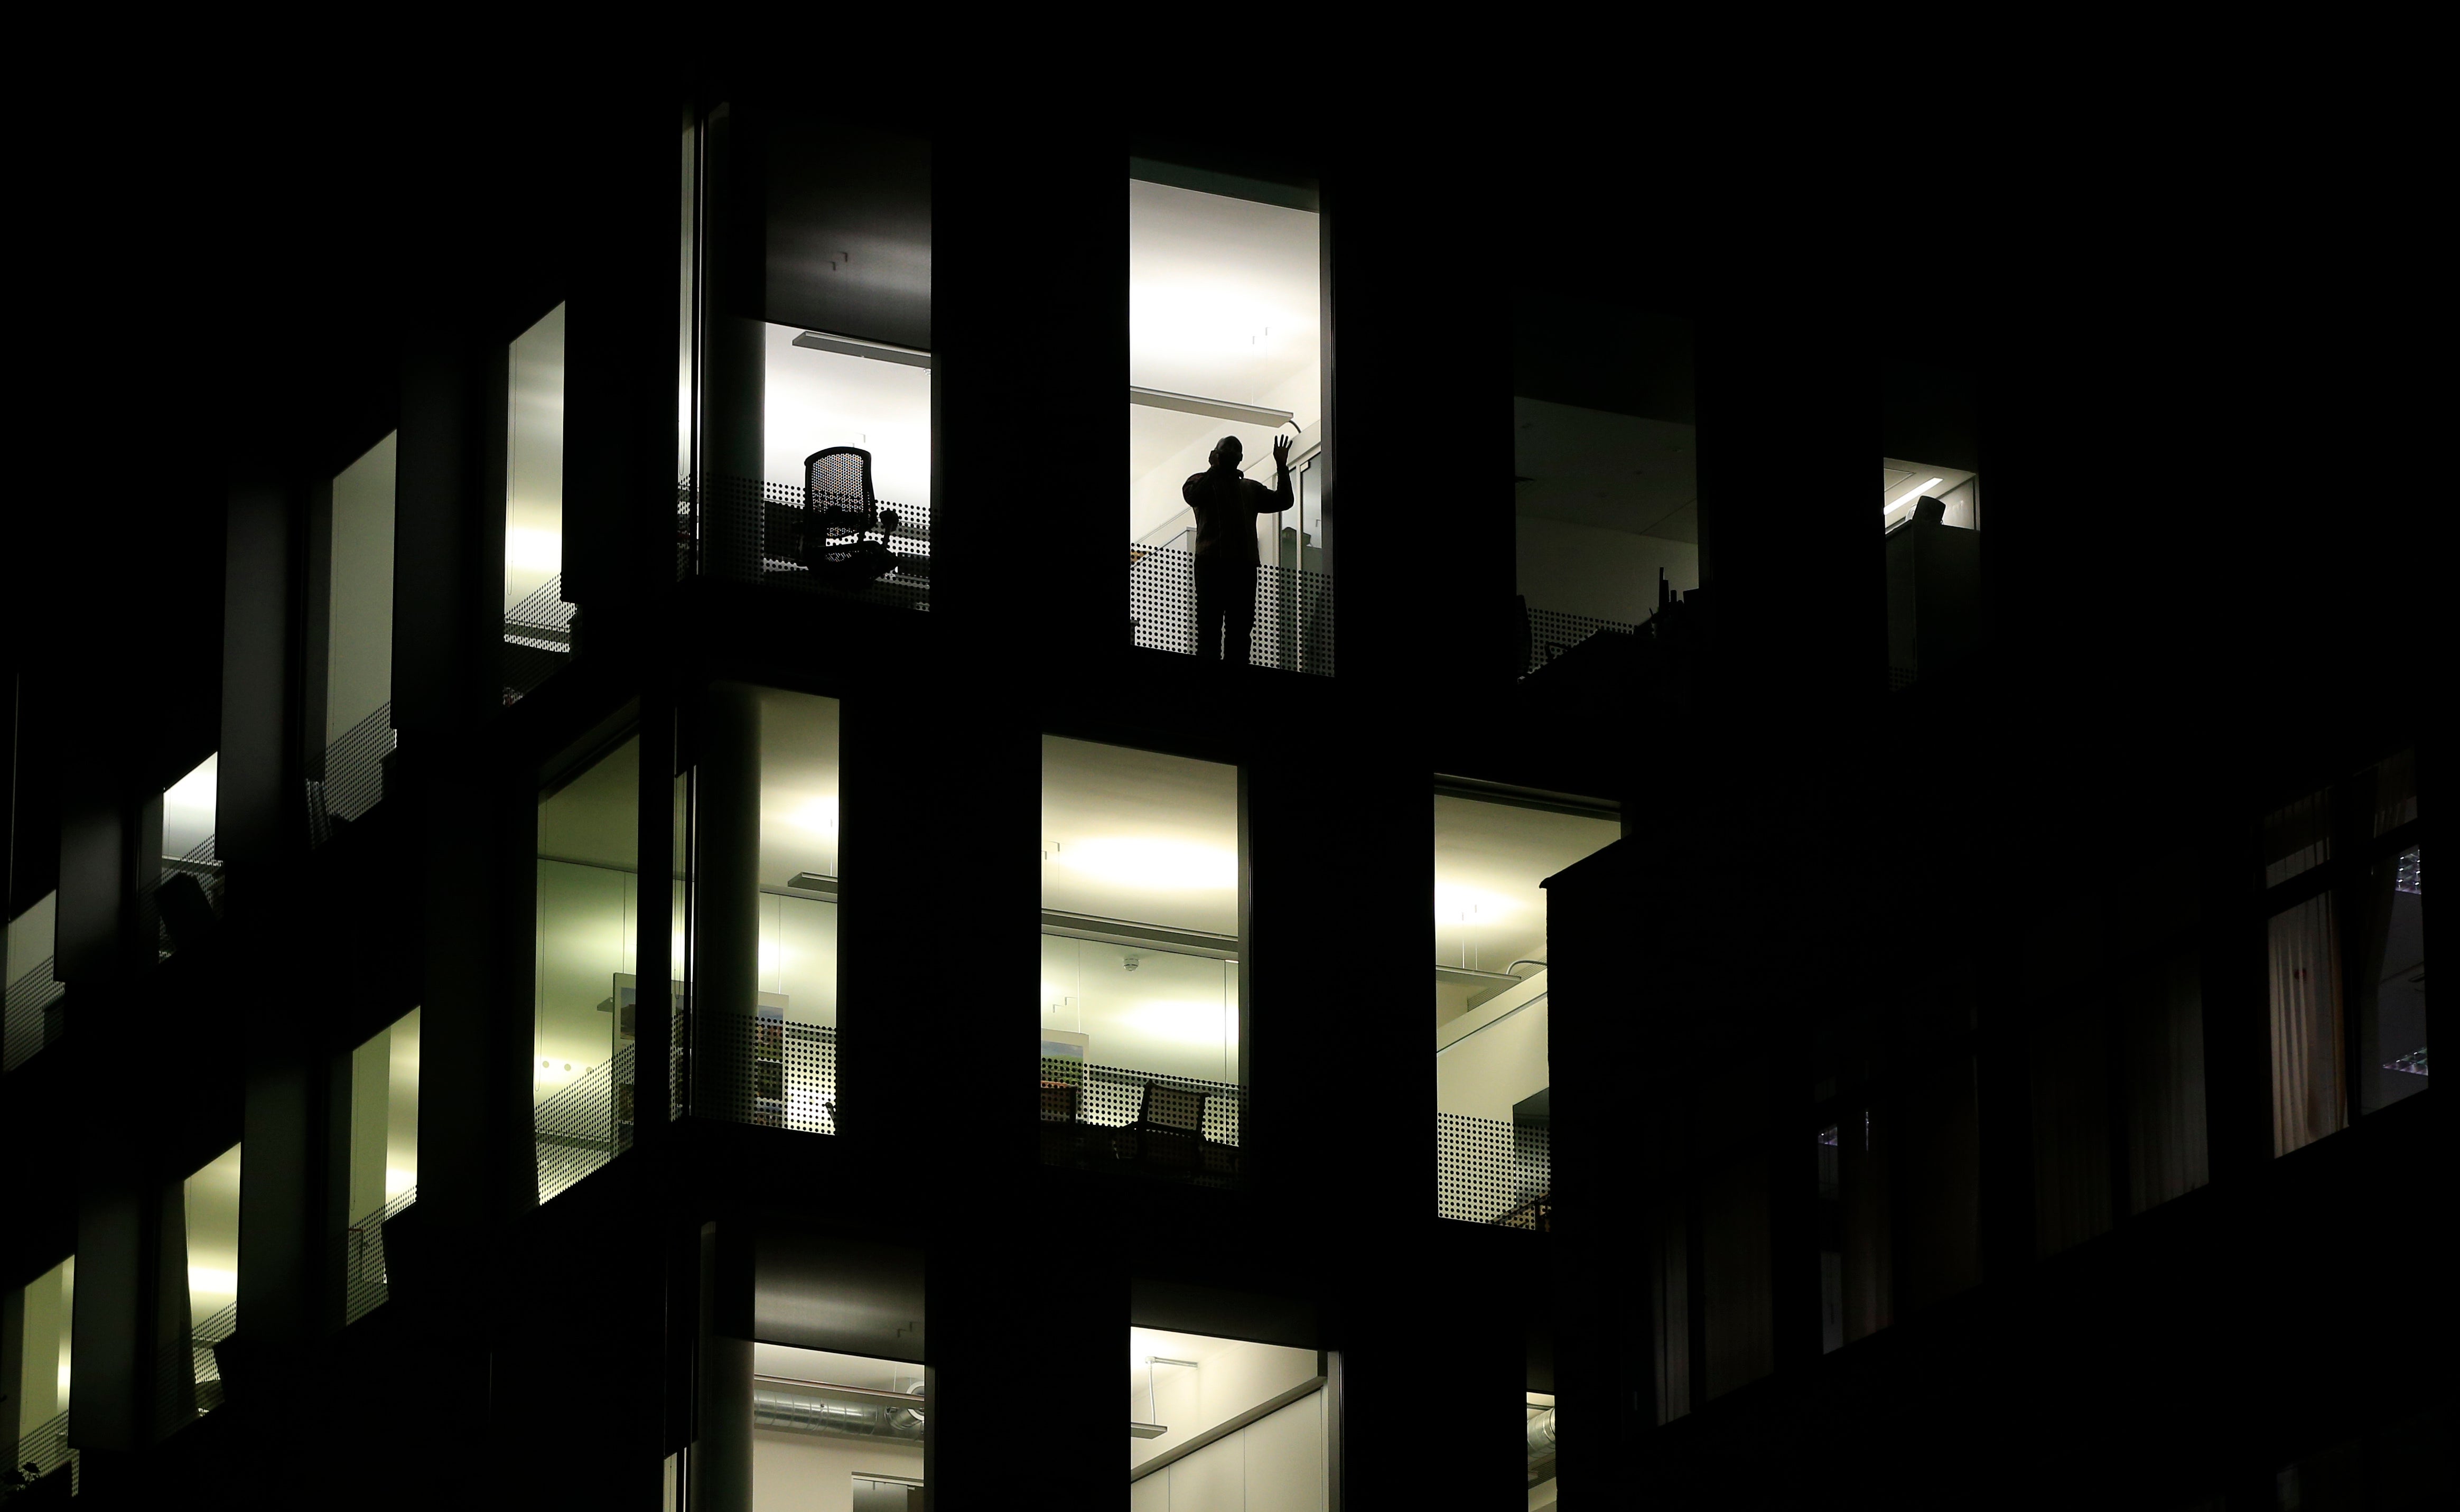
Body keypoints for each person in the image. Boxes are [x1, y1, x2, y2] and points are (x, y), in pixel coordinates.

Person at [1182, 432, 1296, 664]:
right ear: (1214, 455)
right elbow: (1193, 497)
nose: (1232, 453)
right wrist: (1214, 470)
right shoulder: (1199, 480)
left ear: (1241, 458)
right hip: (1211, 564)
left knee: (1241, 630)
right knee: (1210, 626)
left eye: (1236, 450)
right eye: (1227, 449)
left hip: (1242, 567)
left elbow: (1284, 500)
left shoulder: (1250, 488)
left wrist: (1282, 466)